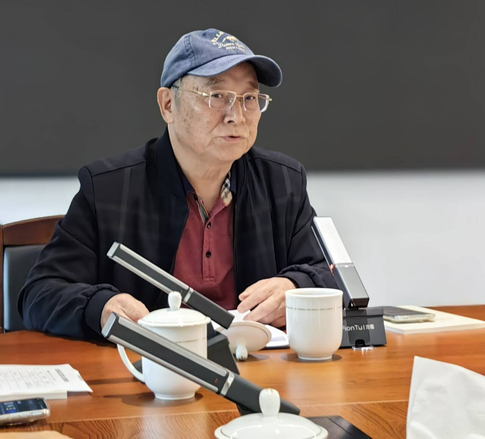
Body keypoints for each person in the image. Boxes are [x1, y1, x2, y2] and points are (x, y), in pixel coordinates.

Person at [19, 28, 335, 340]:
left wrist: (295, 287)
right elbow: (39, 293)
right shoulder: (109, 189)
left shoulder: (282, 182)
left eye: (249, 98)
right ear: (168, 105)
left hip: (255, 366)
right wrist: (100, 307)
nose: (236, 116)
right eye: (217, 96)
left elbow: (332, 276)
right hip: (147, 367)